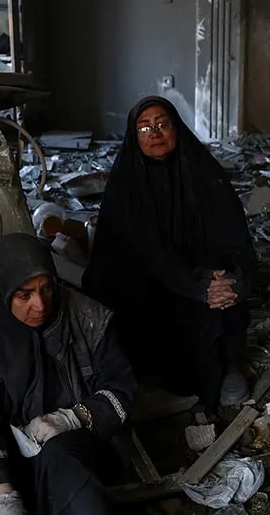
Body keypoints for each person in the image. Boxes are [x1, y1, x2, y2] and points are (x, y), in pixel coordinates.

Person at [0, 233, 137, 515]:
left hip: (73, 448)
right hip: (5, 459)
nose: (40, 304)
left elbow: (122, 392)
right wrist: (5, 501)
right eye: (24, 295)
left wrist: (74, 416)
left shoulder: (89, 318)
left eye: (46, 288)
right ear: (1, 290)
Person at [83, 96, 256, 407]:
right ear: (134, 137)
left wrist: (233, 280)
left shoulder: (205, 174)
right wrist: (198, 284)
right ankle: (141, 371)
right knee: (118, 280)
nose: (155, 133)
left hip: (201, 278)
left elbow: (235, 238)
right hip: (151, 283)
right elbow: (145, 252)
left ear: (176, 128)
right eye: (144, 127)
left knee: (224, 278)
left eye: (162, 124)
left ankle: (228, 363)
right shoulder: (126, 186)